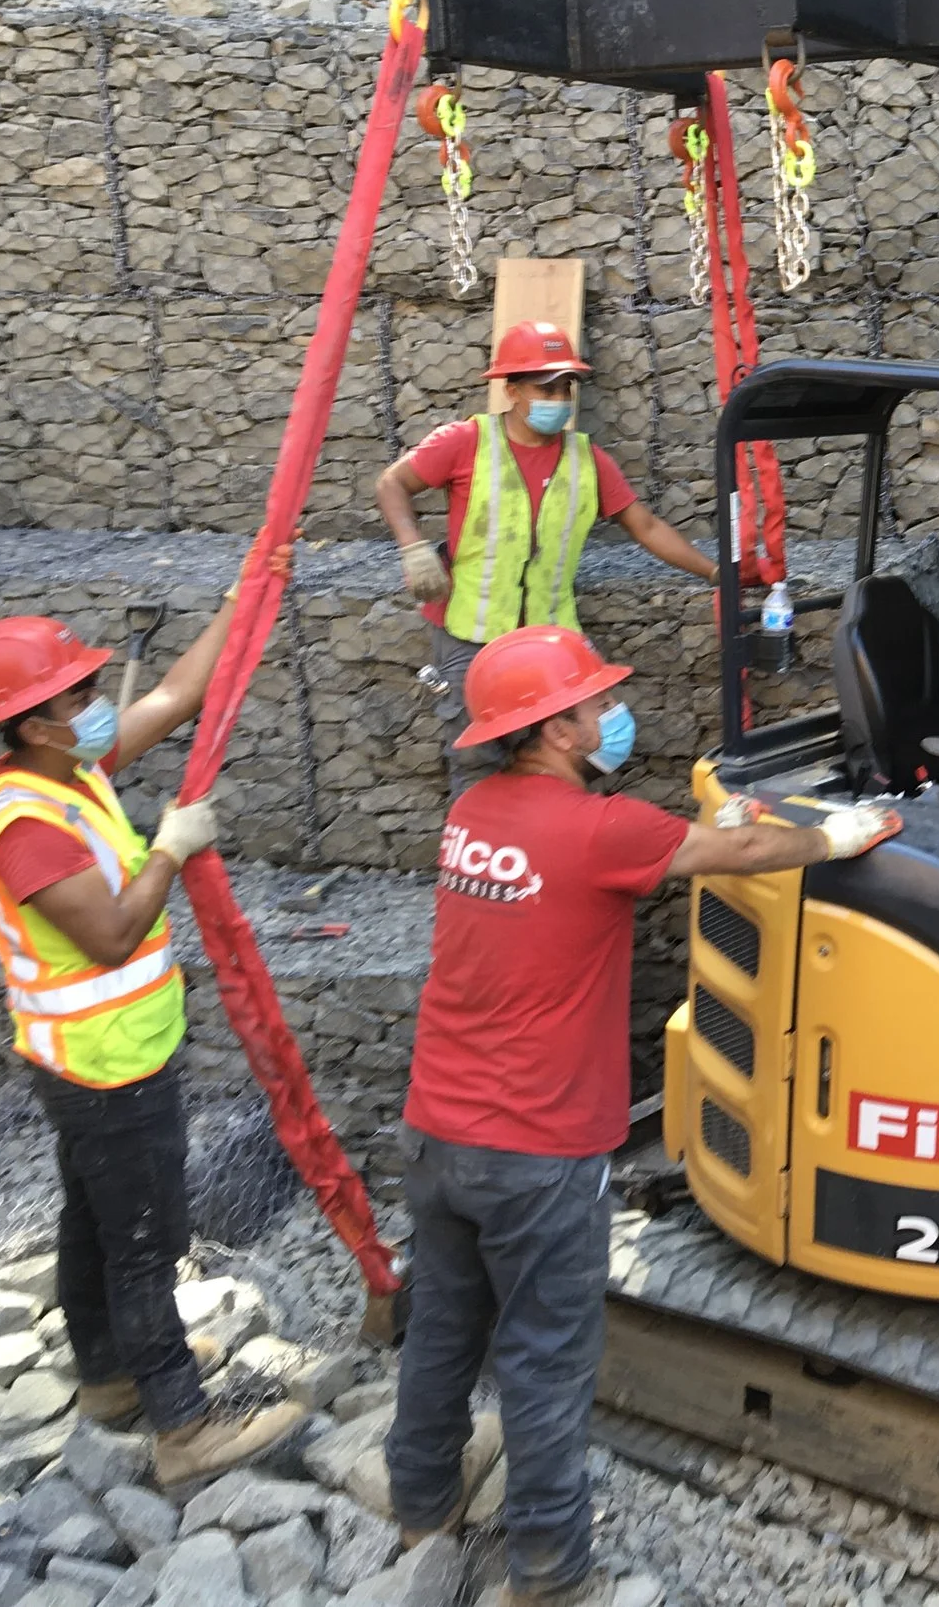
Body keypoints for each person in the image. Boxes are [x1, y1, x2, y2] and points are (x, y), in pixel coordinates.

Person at [384, 625, 905, 1607]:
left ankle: (421, 1511)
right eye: (594, 705)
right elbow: (739, 849)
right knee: (544, 1356)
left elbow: (616, 845)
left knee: (446, 1327)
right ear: (558, 729)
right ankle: (548, 1572)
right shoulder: (602, 829)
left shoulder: (473, 814)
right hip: (537, 1150)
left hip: (438, 1132)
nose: (611, 715)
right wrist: (835, 836)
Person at [0, 557, 310, 1488]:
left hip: (92, 1055)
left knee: (94, 1220)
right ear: (31, 723)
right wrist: (172, 851)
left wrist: (245, 597)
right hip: (105, 1066)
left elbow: (183, 693)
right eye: (79, 693)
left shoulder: (71, 770)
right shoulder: (26, 821)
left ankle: (107, 1377)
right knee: (147, 1238)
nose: (101, 698)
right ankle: (182, 1428)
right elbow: (109, 935)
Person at [374, 321, 723, 793]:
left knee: (577, 753)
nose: (559, 399)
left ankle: (554, 852)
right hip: (471, 636)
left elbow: (646, 526)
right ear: (512, 390)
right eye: (546, 388)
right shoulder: (465, 442)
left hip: (553, 643)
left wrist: (717, 572)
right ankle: (482, 862)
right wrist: (413, 548)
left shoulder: (587, 460)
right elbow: (392, 483)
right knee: (477, 760)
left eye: (567, 387)